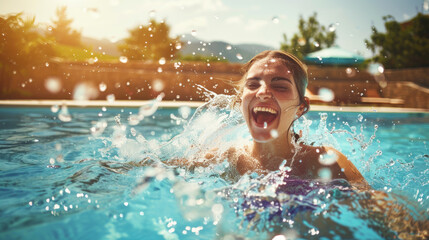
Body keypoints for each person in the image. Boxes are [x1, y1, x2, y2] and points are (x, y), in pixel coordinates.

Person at [169, 50, 366, 184]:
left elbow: (379, 208)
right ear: (241, 102)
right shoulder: (226, 158)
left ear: (301, 108)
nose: (263, 92)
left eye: (279, 86)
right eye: (253, 85)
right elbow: (154, 167)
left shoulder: (327, 161)